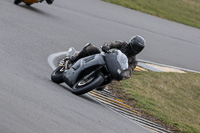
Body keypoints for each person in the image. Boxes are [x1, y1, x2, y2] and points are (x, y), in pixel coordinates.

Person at [67, 35, 146, 90]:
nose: (136, 49)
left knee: (101, 87)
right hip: (104, 58)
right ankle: (73, 59)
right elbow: (111, 43)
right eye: (135, 46)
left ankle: (89, 81)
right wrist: (107, 46)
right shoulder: (122, 44)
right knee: (91, 48)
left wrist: (124, 75)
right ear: (131, 43)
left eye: (139, 48)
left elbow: (130, 71)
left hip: (111, 71)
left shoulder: (134, 61)